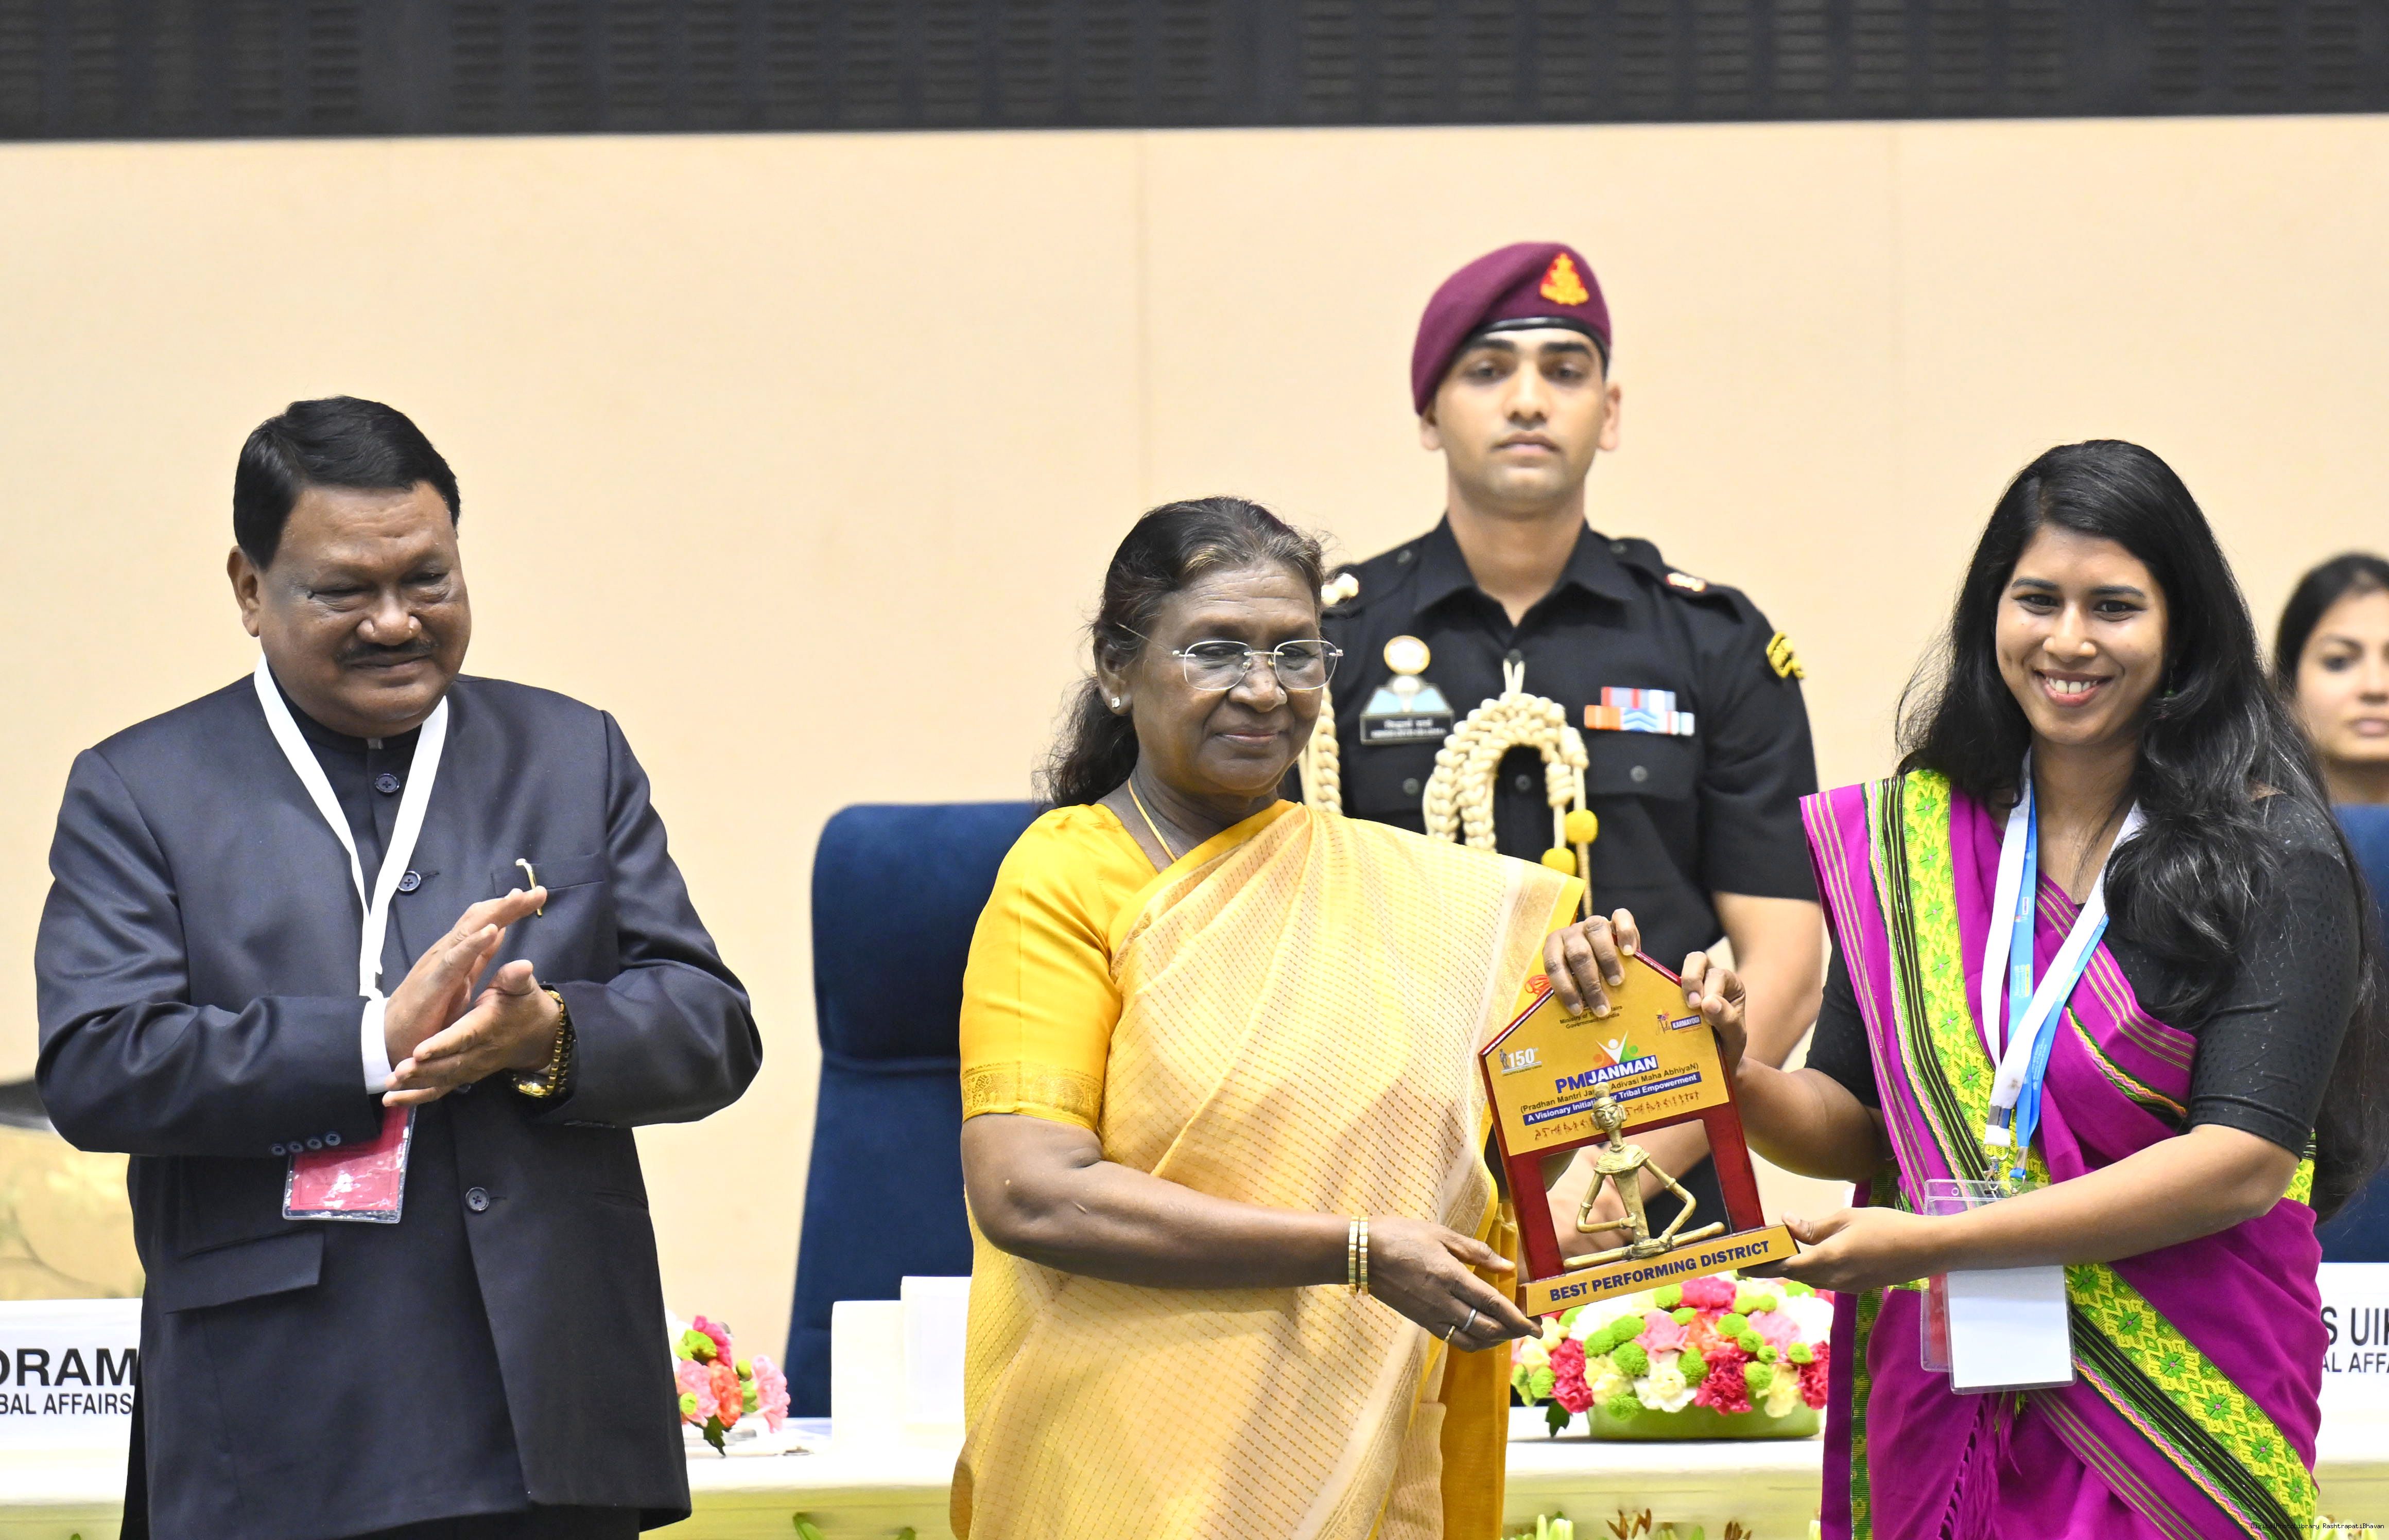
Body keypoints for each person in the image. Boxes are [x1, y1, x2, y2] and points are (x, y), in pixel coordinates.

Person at [36, 397, 763, 1540]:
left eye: (430, 580)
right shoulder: (143, 789)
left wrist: (551, 1036)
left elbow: (710, 1024)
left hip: (549, 1412)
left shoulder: (570, 753)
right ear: (249, 588)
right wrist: (369, 1043)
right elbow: (98, 1066)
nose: (395, 622)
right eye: (344, 591)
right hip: (281, 1418)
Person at [1669, 440, 2387, 1538]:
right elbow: (1857, 1123)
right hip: (1947, 1379)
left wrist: (1935, 1243)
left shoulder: (2272, 850)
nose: (2068, 640)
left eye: (2114, 606)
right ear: (1989, 614)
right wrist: (1735, 1073)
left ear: (2182, 629)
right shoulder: (1912, 842)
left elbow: (2241, 1161)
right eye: (2037, 599)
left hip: (2188, 1402)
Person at [953, 497, 1648, 1540]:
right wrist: (1356, 1251)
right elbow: (1032, 1192)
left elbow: (1496, 1198)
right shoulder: (1064, 879)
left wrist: (1644, 1037)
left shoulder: (1408, 901)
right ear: (1117, 668)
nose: (1264, 688)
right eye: (1216, 650)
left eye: (1296, 653)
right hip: (1127, 1468)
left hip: (1359, 1447)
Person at [1307, 241, 1823, 1254]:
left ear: (1610, 410)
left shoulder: (1710, 644)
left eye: (1564, 369)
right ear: (1428, 413)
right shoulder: (1332, 646)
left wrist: (1612, 1183)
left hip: (1652, 1196)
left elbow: (1787, 965)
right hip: (1387, 1187)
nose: (1528, 400)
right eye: (1487, 370)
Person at [2275, 551, 2389, 1259]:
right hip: (2287, 1235)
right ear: (2285, 689)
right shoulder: (2237, 853)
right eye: (2341, 660)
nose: (2375, 686)